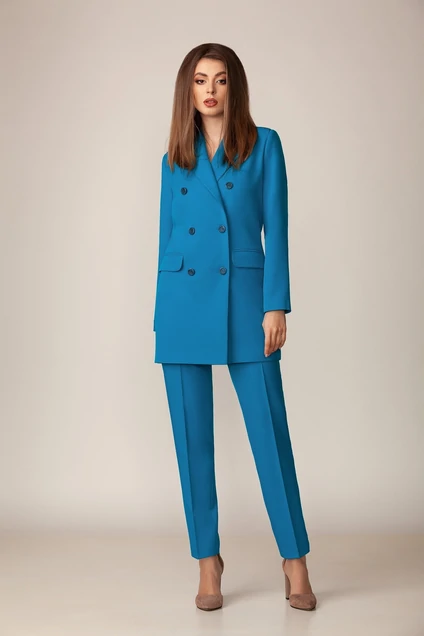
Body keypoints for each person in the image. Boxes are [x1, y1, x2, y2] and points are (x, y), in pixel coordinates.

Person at [152, 42, 317, 612]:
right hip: (182, 303)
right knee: (192, 442)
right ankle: (207, 561)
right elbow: (166, 242)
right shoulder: (174, 157)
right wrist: (161, 316)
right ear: (189, 89)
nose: (210, 90)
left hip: (247, 301)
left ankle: (294, 559)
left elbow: (278, 229)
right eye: (200, 80)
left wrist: (277, 304)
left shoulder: (264, 144)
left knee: (270, 434)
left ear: (234, 87)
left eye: (220, 79)